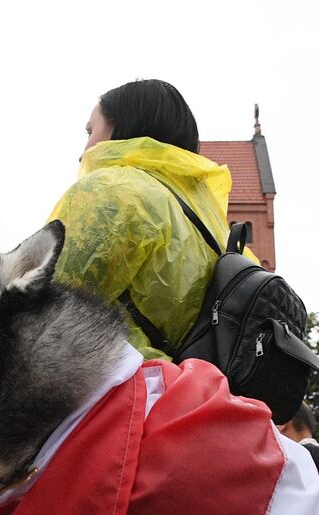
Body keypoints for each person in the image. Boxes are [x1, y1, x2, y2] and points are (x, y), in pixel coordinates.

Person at [49, 78, 232, 359]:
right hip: (195, 392)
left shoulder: (113, 190)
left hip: (126, 392)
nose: (83, 151)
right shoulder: (208, 216)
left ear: (120, 127)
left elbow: (49, 305)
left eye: (90, 131)